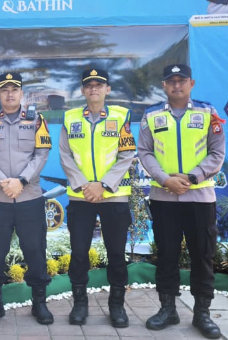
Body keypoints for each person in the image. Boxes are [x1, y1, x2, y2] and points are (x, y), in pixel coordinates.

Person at [139, 64, 226, 339]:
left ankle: (202, 313)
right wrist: (165, 179)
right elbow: (145, 152)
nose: (177, 85)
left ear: (192, 83)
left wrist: (192, 177)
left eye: (182, 80)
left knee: (203, 255)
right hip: (164, 197)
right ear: (164, 85)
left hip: (200, 197)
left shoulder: (208, 112)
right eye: (171, 81)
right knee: (166, 255)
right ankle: (168, 309)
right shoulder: (151, 115)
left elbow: (217, 152)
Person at [59, 68, 137, 327]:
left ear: (107, 89)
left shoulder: (121, 116)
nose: (94, 88)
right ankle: (80, 304)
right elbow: (65, 155)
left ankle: (117, 306)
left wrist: (103, 185)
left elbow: (127, 154)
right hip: (80, 197)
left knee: (116, 253)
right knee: (79, 253)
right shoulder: (70, 118)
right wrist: (84, 185)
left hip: (113, 196)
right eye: (89, 85)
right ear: (83, 90)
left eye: (99, 84)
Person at [0, 72, 54, 325]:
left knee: (35, 251)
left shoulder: (36, 120)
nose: (10, 94)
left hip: (29, 197)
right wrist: (3, 182)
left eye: (14, 89)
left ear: (21, 93)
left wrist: (21, 181)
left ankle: (39, 303)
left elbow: (41, 154)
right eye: (5, 90)